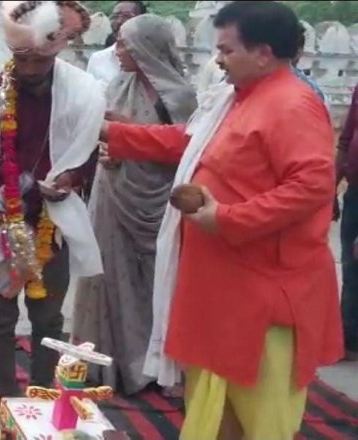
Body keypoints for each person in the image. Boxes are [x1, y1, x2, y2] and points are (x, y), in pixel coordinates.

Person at [100, 2, 343, 438]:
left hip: (263, 294)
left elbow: (312, 187)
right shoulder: (238, 98)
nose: (218, 59)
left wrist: (230, 218)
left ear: (263, 53)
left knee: (261, 417)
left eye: (227, 50)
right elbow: (190, 142)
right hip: (222, 287)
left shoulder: (292, 104)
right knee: (216, 410)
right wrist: (113, 133)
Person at [0, 0, 105, 409]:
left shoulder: (79, 93)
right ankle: (6, 404)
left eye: (38, 61)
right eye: (20, 59)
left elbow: (88, 154)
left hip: (52, 225)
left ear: (57, 50)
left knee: (48, 319)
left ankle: (41, 400)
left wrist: (72, 178)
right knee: (0, 320)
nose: (28, 70)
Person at [72, 14, 197, 397]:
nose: (118, 50)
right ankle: (114, 365)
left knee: (160, 281)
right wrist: (105, 152)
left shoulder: (181, 96)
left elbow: (189, 150)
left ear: (147, 48)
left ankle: (159, 367)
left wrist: (127, 133)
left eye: (125, 43)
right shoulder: (115, 86)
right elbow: (96, 135)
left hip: (162, 199)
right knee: (111, 276)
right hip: (115, 193)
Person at [336, 83, 358, 363]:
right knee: (351, 265)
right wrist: (330, 189)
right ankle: (349, 339)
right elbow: (345, 140)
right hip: (354, 193)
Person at [86, 1, 147, 85]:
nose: (119, 21)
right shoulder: (98, 59)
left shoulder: (151, 60)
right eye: (115, 16)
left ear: (142, 21)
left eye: (126, 16)